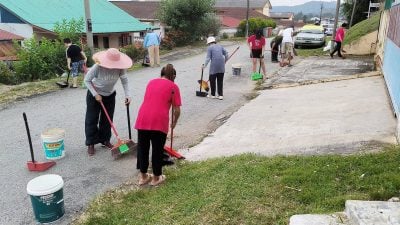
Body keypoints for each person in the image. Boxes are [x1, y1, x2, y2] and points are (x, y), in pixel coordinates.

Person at [135, 64, 182, 186]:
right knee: (157, 149)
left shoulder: (151, 82)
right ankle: (156, 178)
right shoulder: (173, 87)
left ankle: (143, 177)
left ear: (161, 74)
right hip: (159, 120)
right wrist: (174, 122)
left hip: (143, 118)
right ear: (173, 76)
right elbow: (177, 109)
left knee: (143, 148)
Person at [83, 48, 132, 156]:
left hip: (110, 95)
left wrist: (128, 95)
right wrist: (96, 94)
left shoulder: (120, 68)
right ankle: (91, 143)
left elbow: (125, 81)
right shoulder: (98, 66)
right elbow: (86, 80)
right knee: (92, 118)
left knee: (107, 119)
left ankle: (105, 140)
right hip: (95, 94)